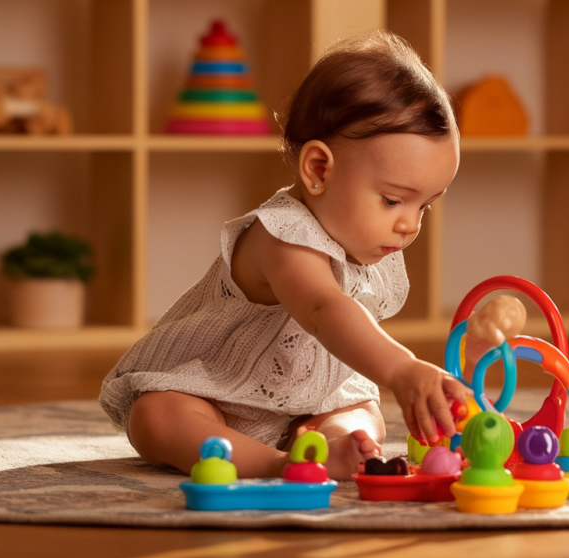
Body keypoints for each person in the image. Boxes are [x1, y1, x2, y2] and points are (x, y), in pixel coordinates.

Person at [99, 30, 468, 481]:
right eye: (393, 201)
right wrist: (402, 368)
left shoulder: (364, 240)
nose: (410, 225)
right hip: (216, 391)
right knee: (155, 417)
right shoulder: (282, 236)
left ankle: (335, 446)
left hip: (307, 397)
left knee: (362, 410)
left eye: (424, 205)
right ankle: (277, 464)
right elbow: (323, 309)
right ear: (318, 169)